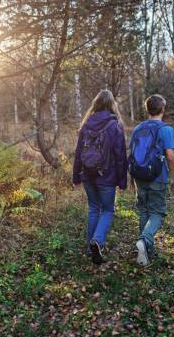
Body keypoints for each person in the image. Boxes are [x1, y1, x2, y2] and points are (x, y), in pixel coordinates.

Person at [73, 90, 127, 265]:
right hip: (107, 176)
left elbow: (78, 152)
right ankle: (97, 240)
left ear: (95, 104)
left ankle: (91, 247)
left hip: (87, 174)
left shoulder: (86, 124)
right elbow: (120, 155)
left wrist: (76, 177)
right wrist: (122, 180)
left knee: (94, 208)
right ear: (112, 105)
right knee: (108, 210)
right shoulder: (115, 125)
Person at [129, 94, 174, 266]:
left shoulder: (137, 129)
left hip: (139, 176)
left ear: (147, 109)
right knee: (157, 212)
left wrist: (131, 179)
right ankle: (145, 240)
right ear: (162, 109)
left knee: (143, 211)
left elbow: (132, 155)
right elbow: (170, 156)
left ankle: (145, 252)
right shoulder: (166, 129)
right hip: (158, 176)